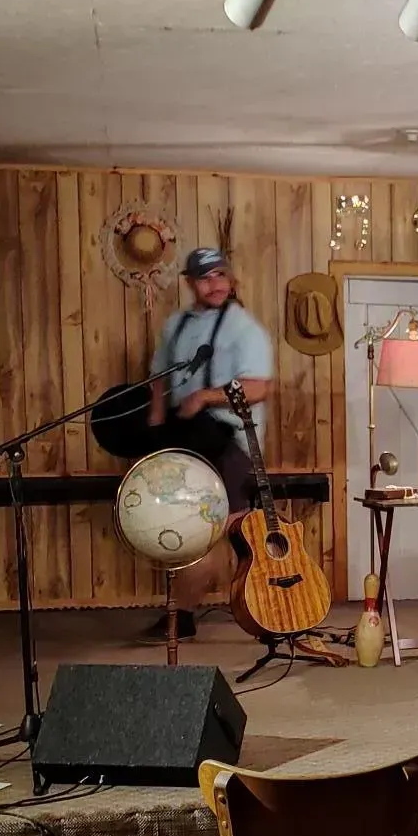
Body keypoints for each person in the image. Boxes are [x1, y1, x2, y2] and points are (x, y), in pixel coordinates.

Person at [145, 247, 274, 636]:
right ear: (190, 283)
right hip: (188, 438)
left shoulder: (244, 329)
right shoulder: (176, 325)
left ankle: (273, 605)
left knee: (235, 532)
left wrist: (204, 397)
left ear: (231, 279)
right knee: (187, 528)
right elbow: (158, 378)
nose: (214, 284)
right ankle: (182, 617)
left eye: (221, 275)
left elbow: (257, 387)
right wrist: (155, 429)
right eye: (205, 277)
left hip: (231, 441)